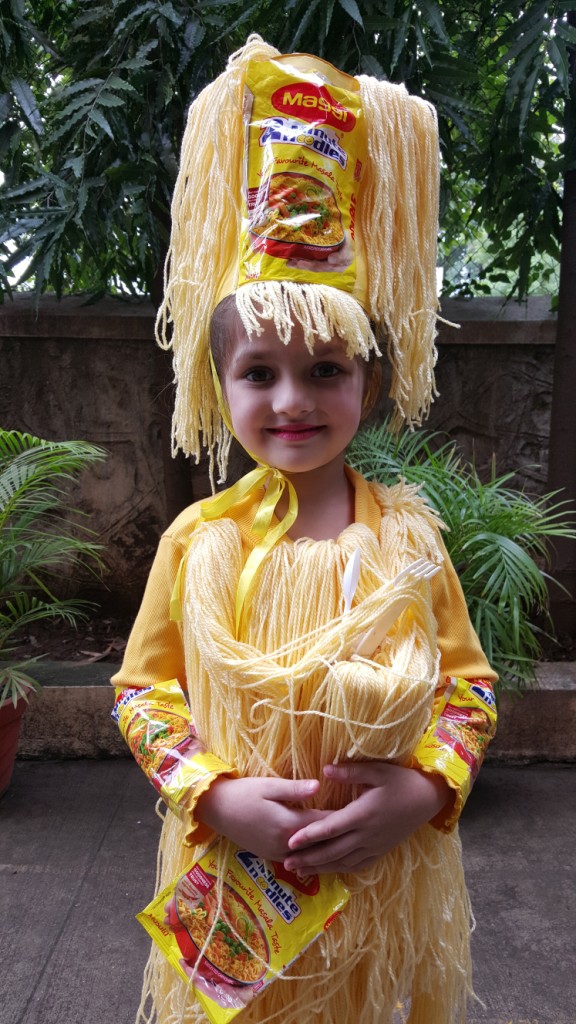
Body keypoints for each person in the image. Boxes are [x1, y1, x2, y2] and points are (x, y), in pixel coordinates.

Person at [112, 35, 497, 1024]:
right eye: (260, 372)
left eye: (327, 369)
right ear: (220, 383)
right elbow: (145, 693)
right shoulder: (199, 542)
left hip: (380, 895)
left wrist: (422, 792)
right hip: (238, 882)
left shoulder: (409, 541)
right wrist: (213, 792)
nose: (293, 399)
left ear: (370, 381)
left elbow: (467, 691)